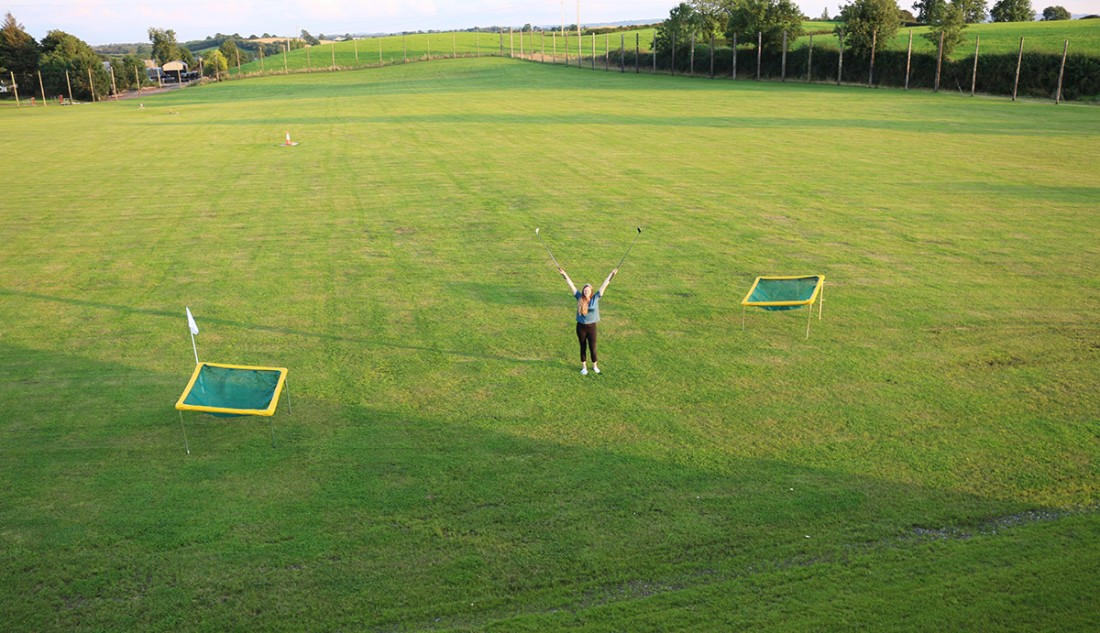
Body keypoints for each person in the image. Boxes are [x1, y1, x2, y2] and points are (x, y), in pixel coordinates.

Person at [558, 266, 618, 375]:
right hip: (581, 327)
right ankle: (584, 367)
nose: (586, 291)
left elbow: (605, 284)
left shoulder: (596, 297)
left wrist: (612, 274)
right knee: (582, 346)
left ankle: (595, 366)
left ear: (591, 291)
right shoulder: (579, 297)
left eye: (588, 290)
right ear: (583, 291)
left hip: (592, 327)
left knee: (593, 347)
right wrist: (564, 274)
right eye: (585, 290)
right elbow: (571, 285)